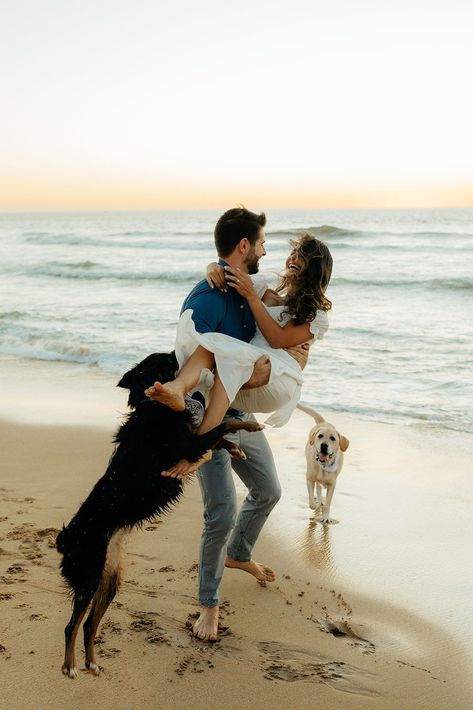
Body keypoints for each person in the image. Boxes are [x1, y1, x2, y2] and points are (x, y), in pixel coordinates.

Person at [147, 231, 332, 438]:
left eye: (303, 256)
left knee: (228, 354)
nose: (294, 258)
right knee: (213, 344)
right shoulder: (267, 294)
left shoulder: (316, 316)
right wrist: (213, 267)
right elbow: (233, 275)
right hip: (249, 370)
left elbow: (277, 339)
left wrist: (252, 298)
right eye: (294, 252)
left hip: (277, 379)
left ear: (316, 269)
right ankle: (178, 389)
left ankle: (202, 444)